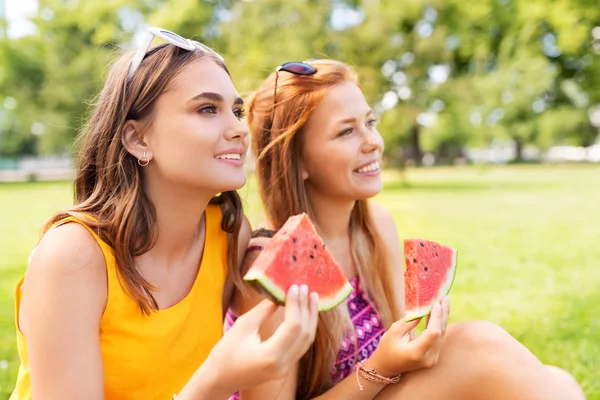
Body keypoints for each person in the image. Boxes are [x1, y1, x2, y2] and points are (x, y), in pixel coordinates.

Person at [227, 59, 585, 399]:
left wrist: (417, 348)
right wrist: (379, 367)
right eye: (346, 131)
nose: (373, 142)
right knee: (479, 345)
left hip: (384, 389)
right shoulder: (268, 272)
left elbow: (403, 348)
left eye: (370, 122)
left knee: (559, 380)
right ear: (298, 161)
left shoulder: (375, 227)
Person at [9, 28, 320, 400]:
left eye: (236, 111)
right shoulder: (73, 257)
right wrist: (214, 384)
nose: (238, 129)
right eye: (207, 109)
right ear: (138, 139)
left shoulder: (227, 235)